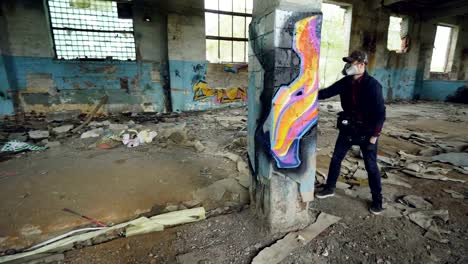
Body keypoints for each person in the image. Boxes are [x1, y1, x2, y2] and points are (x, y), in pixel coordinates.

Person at [315, 50, 386, 215]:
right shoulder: (345, 82)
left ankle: (377, 201)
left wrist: (375, 136)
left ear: (361, 65)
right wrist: (303, 94)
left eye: (351, 63)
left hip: (367, 132)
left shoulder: (373, 85)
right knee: (336, 158)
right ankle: (329, 188)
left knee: (371, 166)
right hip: (348, 128)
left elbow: (380, 114)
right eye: (347, 62)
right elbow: (325, 93)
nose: (348, 66)